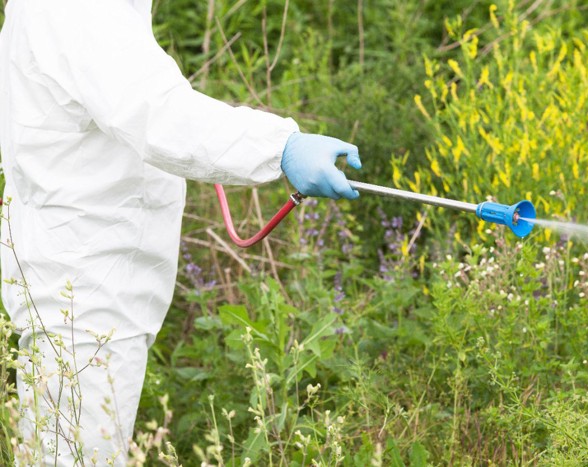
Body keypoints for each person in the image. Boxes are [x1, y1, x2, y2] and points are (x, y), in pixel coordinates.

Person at [0, 0, 361, 464]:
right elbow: (161, 116)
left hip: (86, 281)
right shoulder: (80, 9)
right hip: (82, 291)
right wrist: (281, 147)